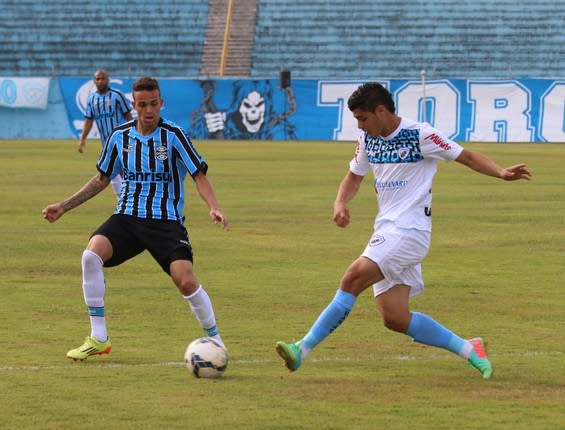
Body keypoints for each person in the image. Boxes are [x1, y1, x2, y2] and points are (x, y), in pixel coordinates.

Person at [275, 81, 531, 379]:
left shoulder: (419, 134)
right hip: (388, 229)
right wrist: (340, 202)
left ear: (380, 111)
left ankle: (301, 349)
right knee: (395, 318)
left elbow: (466, 156)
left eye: (362, 118)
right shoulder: (368, 140)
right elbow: (354, 177)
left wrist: (501, 172)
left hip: (410, 231)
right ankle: (469, 348)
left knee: (352, 278)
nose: (359, 124)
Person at [44, 76, 230, 361]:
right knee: (90, 257)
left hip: (165, 221)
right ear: (134, 105)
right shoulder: (120, 137)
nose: (149, 111)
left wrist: (214, 207)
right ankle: (99, 338)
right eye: (142, 105)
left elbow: (199, 175)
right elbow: (101, 179)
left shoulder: (174, 135)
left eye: (154, 104)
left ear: (161, 103)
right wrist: (64, 206)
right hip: (127, 218)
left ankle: (216, 341)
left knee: (185, 281)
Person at [78, 69, 133, 197]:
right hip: (106, 143)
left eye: (103, 78)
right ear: (94, 81)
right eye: (98, 79)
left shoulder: (117, 95)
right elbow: (88, 120)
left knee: (120, 170)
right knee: (112, 172)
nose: (100, 81)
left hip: (122, 139)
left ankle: (127, 198)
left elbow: (128, 115)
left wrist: (134, 132)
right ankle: (125, 198)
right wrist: (82, 140)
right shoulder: (92, 99)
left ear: (108, 80)